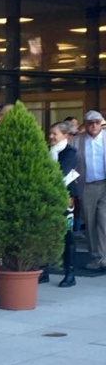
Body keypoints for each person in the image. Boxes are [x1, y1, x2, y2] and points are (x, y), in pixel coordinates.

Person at [74, 110, 106, 271]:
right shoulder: (77, 140)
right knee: (91, 222)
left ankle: (103, 257)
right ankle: (96, 257)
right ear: (85, 124)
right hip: (86, 186)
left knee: (103, 221)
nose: (94, 126)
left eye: (97, 122)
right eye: (90, 123)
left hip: (104, 185)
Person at [48, 121, 78, 287]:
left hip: (65, 196)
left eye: (55, 134)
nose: (51, 136)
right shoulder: (47, 150)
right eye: (50, 133)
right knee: (46, 232)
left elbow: (61, 172)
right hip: (48, 196)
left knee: (67, 234)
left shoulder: (70, 152)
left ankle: (70, 273)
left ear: (65, 135)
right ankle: (43, 271)